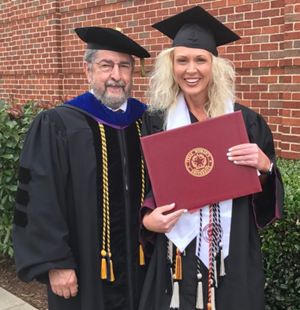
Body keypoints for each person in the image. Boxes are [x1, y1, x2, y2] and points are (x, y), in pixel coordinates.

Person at [138, 6, 284, 310]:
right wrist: (148, 220)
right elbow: (142, 187)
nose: (191, 70)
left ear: (214, 65)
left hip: (231, 253)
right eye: (182, 61)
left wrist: (266, 167)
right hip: (176, 253)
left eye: (200, 60)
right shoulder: (155, 122)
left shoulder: (246, 122)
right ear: (171, 67)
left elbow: (263, 199)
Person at [12, 26, 150, 310]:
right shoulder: (58, 124)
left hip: (143, 267)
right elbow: (39, 197)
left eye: (124, 66)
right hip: (83, 268)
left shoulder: (147, 122)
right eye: (106, 65)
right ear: (87, 70)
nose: (116, 76)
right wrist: (55, 263)